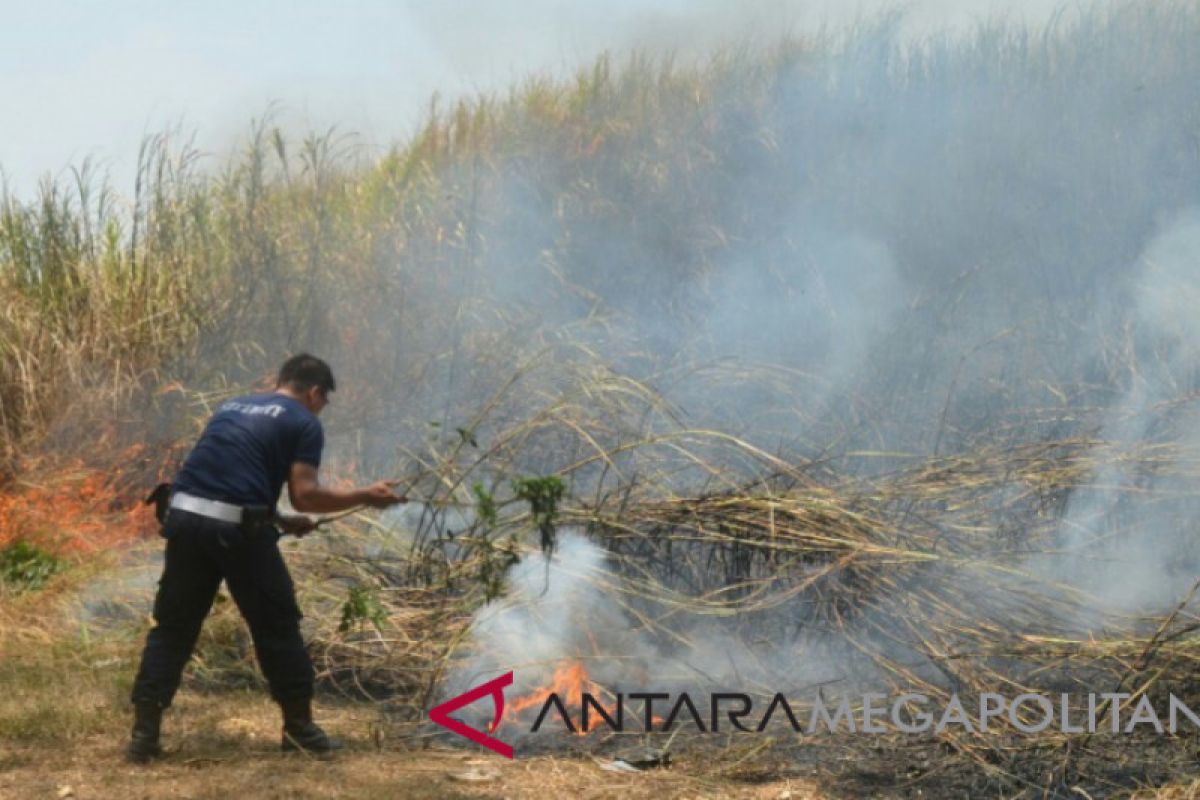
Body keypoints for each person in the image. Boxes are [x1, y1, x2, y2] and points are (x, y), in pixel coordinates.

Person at [127, 353, 405, 763]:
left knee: (172, 628)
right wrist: (367, 496)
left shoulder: (233, 405)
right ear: (314, 392)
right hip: (235, 533)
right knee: (277, 624)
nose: (320, 409)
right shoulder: (304, 421)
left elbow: (226, 477)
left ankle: (143, 736)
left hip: (184, 519)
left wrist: (279, 519)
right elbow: (306, 494)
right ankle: (300, 730)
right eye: (323, 401)